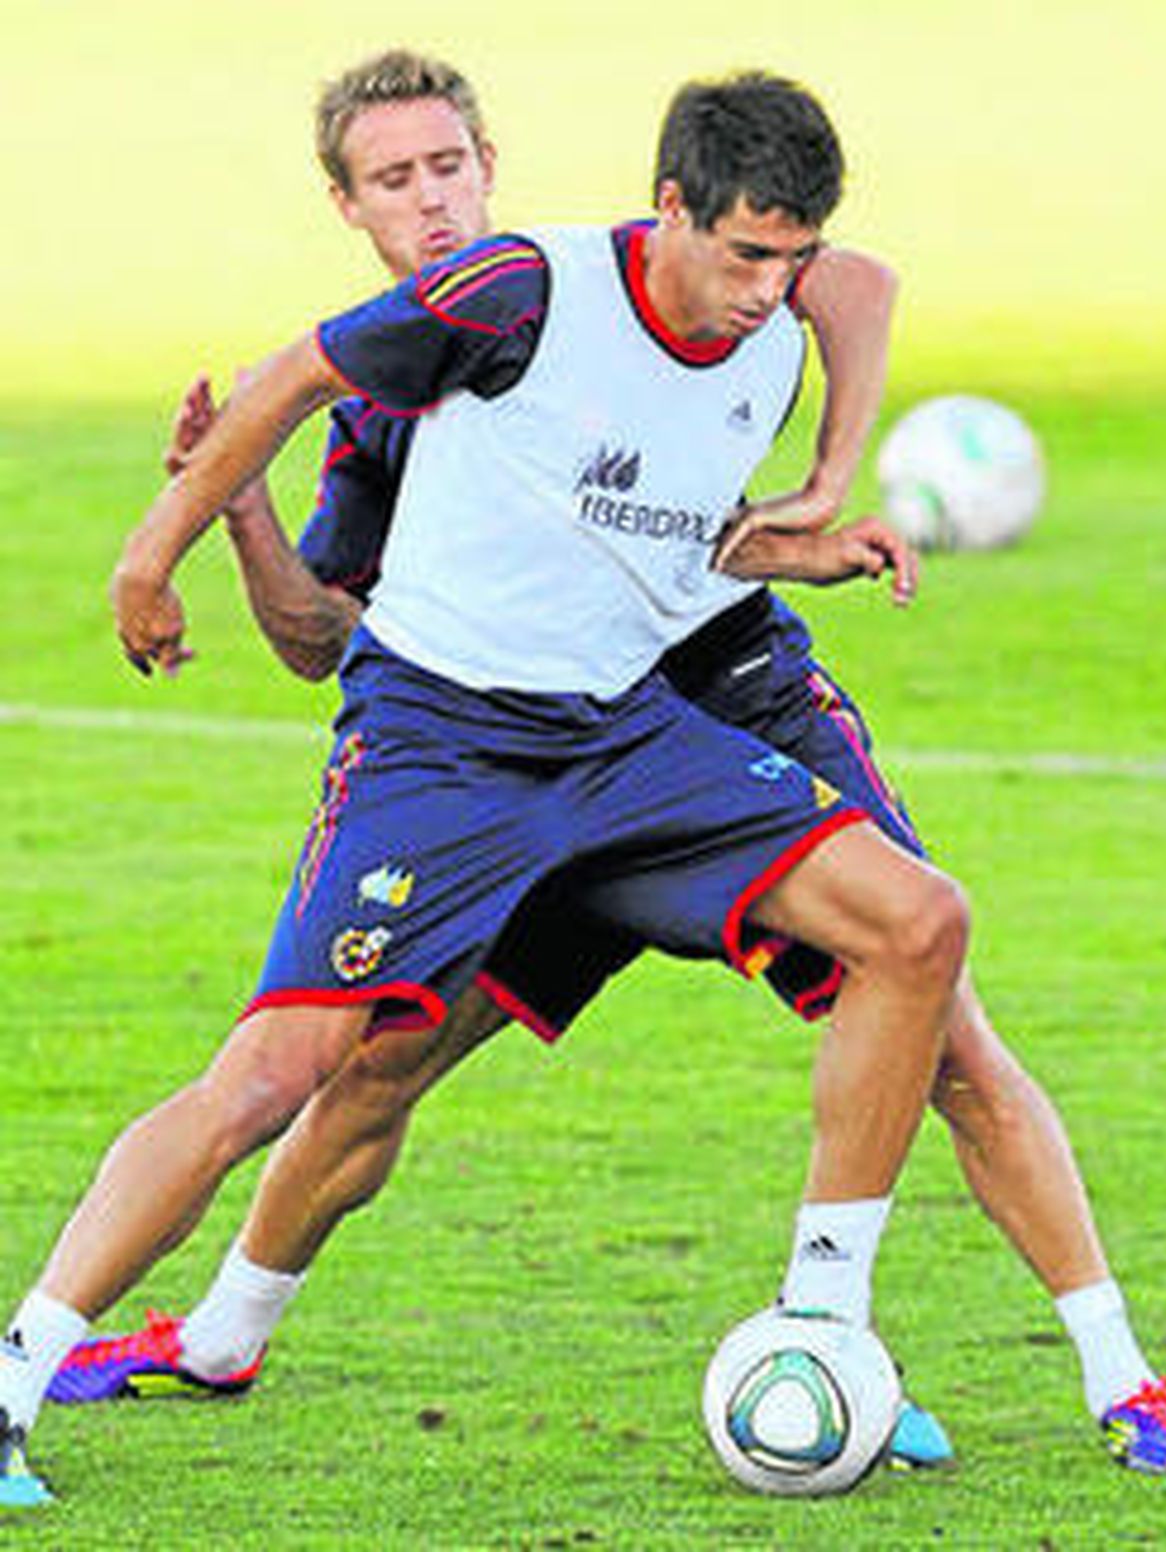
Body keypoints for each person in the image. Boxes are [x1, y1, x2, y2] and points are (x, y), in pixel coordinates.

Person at [1, 69, 974, 1511]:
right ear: (672, 210)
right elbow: (291, 376)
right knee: (278, 1077)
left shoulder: (762, 316)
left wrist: (817, 512)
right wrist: (152, 558)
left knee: (921, 922)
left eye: (793, 259)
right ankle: (15, 1380)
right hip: (442, 744)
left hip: (625, 742)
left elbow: (759, 404)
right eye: (749, 254)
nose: (776, 289)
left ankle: (825, 1316)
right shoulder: (516, 295)